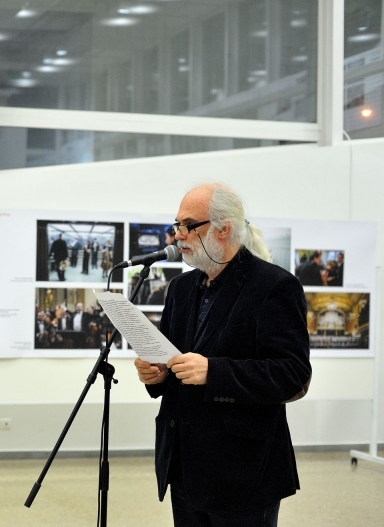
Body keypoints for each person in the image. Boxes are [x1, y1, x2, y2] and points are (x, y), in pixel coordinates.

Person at [133, 183, 311, 526]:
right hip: (184, 464)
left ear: (223, 229)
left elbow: (293, 375)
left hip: (243, 470)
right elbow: (172, 363)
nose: (178, 235)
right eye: (176, 225)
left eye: (188, 225)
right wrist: (156, 374)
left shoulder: (273, 286)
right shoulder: (181, 289)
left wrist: (213, 372)